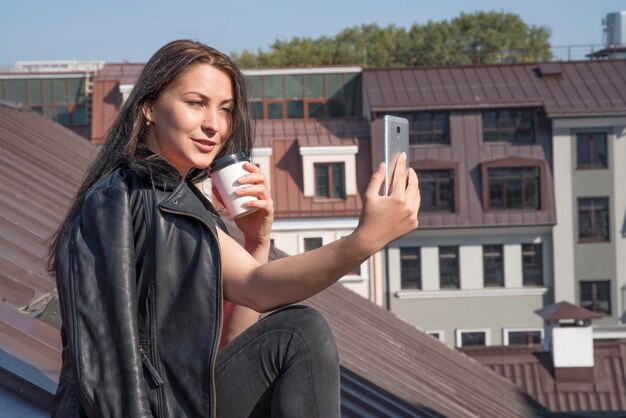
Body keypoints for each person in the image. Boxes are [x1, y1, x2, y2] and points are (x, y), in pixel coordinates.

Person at [48, 39, 420, 418]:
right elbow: (105, 359)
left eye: (225, 110)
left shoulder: (175, 200)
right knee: (298, 332)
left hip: (176, 406)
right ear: (149, 108)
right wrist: (365, 240)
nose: (214, 125)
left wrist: (255, 242)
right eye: (196, 103)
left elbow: (228, 350)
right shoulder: (125, 195)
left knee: (290, 335)